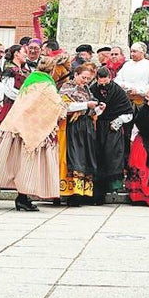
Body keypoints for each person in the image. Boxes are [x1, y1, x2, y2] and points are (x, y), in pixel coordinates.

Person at [0, 56, 64, 211]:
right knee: (28, 165)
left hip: (16, 126)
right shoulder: (47, 84)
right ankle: (23, 198)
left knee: (18, 163)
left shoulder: (30, 80)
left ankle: (22, 197)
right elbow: (55, 105)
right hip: (33, 130)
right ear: (52, 69)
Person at [90, 65, 132, 204]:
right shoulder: (93, 89)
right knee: (97, 157)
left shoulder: (118, 91)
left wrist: (118, 121)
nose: (103, 86)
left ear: (110, 78)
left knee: (113, 156)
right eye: (100, 83)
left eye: (106, 83)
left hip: (113, 127)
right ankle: (97, 191)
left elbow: (128, 112)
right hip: (97, 126)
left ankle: (114, 187)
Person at [58, 61, 99, 205]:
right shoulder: (67, 87)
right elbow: (65, 106)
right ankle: (69, 192)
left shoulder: (87, 89)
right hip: (72, 125)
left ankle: (81, 192)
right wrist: (85, 105)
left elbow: (91, 109)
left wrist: (98, 108)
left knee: (84, 157)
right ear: (75, 74)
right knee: (73, 157)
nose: (85, 81)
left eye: (88, 79)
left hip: (85, 125)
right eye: (83, 77)